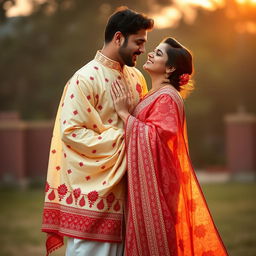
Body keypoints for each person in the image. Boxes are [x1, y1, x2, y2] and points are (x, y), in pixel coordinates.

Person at [41, 6, 154, 256]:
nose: (143, 50)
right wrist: (125, 139)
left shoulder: (137, 78)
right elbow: (70, 132)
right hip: (95, 201)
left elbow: (143, 128)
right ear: (118, 37)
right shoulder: (83, 79)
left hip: (131, 201)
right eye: (138, 42)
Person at [111, 37, 229, 256]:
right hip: (149, 182)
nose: (150, 54)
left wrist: (124, 115)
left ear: (171, 68)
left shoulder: (168, 98)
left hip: (160, 187)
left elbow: (157, 138)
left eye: (158, 53)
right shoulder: (153, 95)